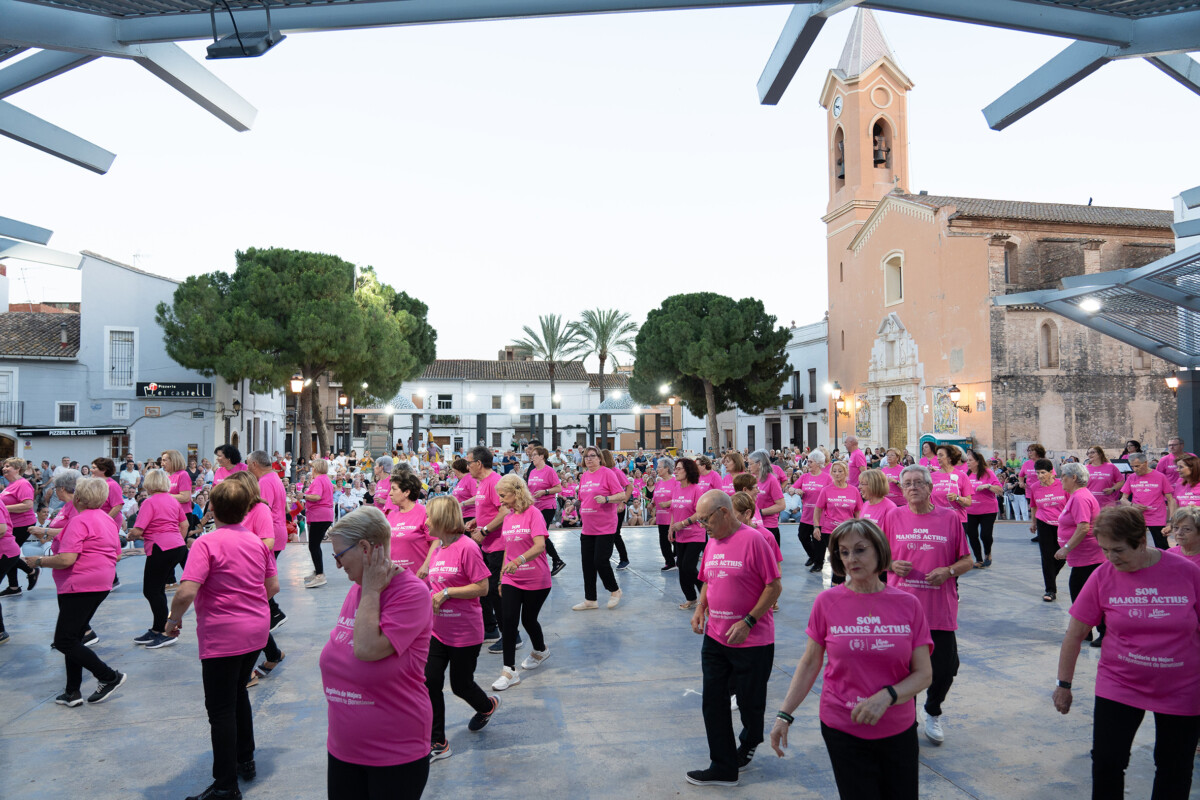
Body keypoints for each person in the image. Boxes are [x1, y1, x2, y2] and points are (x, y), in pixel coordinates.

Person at [769, 519, 932, 800]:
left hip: (897, 728)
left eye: (860, 550)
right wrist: (784, 715)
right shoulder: (826, 603)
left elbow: (924, 674)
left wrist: (888, 696)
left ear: (879, 551)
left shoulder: (908, 605)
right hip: (842, 727)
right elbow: (810, 663)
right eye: (843, 552)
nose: (851, 558)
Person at [1053, 506, 1200, 800]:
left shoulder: (1187, 572)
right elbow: (1075, 634)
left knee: (1175, 766)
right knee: (1107, 761)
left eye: (1118, 550)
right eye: (1105, 549)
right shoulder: (1102, 576)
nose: (1111, 557)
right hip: (1120, 682)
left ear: (1141, 541)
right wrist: (1063, 684)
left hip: (1182, 686)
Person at [164, 478, 279, 800]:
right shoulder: (256, 542)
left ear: (212, 508)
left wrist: (172, 621)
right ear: (246, 508)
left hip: (222, 635)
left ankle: (226, 785)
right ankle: (245, 758)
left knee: (221, 709)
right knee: (238, 692)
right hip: (255, 631)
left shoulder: (206, 543)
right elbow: (272, 586)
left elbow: (186, 591)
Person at [319, 506, 432, 799]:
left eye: (339, 555)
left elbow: (366, 649)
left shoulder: (411, 593)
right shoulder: (357, 589)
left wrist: (371, 591)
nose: (338, 565)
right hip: (344, 749)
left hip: (393, 753)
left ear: (366, 548)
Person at [686, 491, 781, 787]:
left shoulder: (755, 540)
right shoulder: (712, 541)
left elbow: (774, 586)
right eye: (700, 521)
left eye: (706, 519)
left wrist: (749, 621)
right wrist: (701, 607)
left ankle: (750, 740)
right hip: (716, 636)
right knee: (713, 701)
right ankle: (723, 766)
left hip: (752, 641)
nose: (703, 526)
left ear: (724, 513)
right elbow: (707, 580)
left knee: (750, 704)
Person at [883, 465, 973, 745]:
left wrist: (949, 571)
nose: (913, 488)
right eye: (907, 483)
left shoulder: (949, 518)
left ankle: (932, 711)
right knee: (901, 670)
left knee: (945, 669)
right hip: (901, 611)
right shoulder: (893, 516)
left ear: (930, 487)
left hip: (938, 610)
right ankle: (905, 720)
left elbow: (967, 560)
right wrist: (890, 564)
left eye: (919, 483)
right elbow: (874, 557)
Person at [25, 477, 125, 707]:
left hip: (78, 584)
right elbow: (117, 554)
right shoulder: (107, 519)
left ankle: (109, 676)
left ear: (78, 498)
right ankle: (72, 691)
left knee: (64, 640)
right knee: (74, 637)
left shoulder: (79, 521)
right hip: (100, 583)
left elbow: (66, 559)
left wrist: (39, 561)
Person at [424, 496, 498, 762]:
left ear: (442, 519)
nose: (426, 522)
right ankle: (438, 742)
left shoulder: (467, 547)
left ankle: (487, 706)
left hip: (464, 633)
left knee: (460, 685)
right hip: (437, 631)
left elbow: (483, 588)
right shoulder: (438, 548)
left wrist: (448, 592)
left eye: (430, 517)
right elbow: (434, 585)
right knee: (429, 681)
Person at [490, 474, 552, 691]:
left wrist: (519, 560)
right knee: (508, 621)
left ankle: (540, 650)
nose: (500, 500)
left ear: (517, 493)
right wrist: (501, 578)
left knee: (528, 620)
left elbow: (540, 546)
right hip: (511, 579)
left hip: (537, 578)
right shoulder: (508, 517)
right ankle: (509, 671)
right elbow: (507, 549)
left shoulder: (534, 514)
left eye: (503, 495)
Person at [127, 468, 187, 649]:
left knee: (152, 591)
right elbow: (184, 524)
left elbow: (138, 530)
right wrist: (176, 539)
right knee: (158, 589)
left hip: (160, 547)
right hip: (177, 546)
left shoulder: (149, 502)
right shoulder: (173, 500)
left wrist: (130, 535)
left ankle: (164, 631)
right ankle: (157, 628)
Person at [463, 447, 513, 646]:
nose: (467, 466)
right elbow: (490, 510)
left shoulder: (494, 482)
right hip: (486, 546)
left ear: (478, 463)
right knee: (483, 588)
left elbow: (505, 512)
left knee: (495, 591)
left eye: (469, 462)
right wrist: (476, 521)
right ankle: (490, 628)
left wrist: (484, 531)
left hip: (498, 545)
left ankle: (510, 636)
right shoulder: (482, 483)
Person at [1053, 461, 1106, 646]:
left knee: (1085, 596)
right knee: (1082, 595)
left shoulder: (1080, 497)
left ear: (1073, 478)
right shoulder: (1077, 496)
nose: (1060, 480)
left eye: (1063, 476)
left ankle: (1102, 632)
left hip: (1088, 557)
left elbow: (1083, 527)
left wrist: (1066, 548)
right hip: (1084, 557)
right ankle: (1086, 632)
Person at [246, 450, 289, 678]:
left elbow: (263, 508)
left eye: (248, 464)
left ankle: (273, 612)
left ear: (254, 464)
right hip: (273, 533)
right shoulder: (274, 478)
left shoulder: (264, 482)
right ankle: (272, 613)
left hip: (267, 536)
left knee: (256, 595)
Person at [571, 446, 625, 611]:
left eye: (592, 456)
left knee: (600, 561)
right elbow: (582, 498)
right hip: (588, 528)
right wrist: (573, 505)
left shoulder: (607, 473)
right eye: (586, 456)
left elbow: (621, 495)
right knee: (587, 564)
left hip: (605, 527)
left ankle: (615, 590)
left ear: (600, 458)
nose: (589, 459)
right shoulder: (585, 476)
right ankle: (590, 600)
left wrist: (607, 499)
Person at [1028, 457, 1068, 602]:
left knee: (1063, 556)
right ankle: (1050, 589)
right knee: (1046, 557)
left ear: (1051, 472)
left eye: (1043, 472)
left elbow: (1071, 504)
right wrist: (1033, 523)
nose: (1040, 476)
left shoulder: (1062, 485)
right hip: (1043, 523)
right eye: (1037, 473)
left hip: (1062, 524)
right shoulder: (1034, 487)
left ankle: (1051, 575)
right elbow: (1034, 506)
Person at [813, 461, 862, 579]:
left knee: (845, 559)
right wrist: (816, 527)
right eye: (834, 471)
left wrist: (860, 529)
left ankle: (840, 584)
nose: (837, 474)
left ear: (846, 473)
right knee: (838, 558)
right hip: (830, 531)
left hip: (848, 531)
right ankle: (837, 585)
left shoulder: (854, 490)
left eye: (840, 471)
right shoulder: (826, 490)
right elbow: (818, 509)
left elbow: (858, 511)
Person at [668, 458, 706, 610]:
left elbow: (700, 513)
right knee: (681, 568)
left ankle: (706, 595)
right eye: (675, 468)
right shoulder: (676, 488)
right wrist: (671, 528)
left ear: (688, 471)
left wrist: (683, 523)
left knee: (688, 567)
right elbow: (673, 510)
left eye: (679, 469)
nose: (675, 471)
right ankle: (691, 598)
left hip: (696, 535)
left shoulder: (696, 489)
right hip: (680, 536)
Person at [1120, 452, 1176, 549]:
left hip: (1157, 518)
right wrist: (1132, 505)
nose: (1135, 469)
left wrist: (1170, 521)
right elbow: (1123, 499)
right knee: (1135, 546)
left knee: (1162, 546)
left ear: (1145, 463)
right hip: (1138, 518)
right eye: (1132, 466)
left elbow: (1171, 499)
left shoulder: (1160, 476)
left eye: (1137, 466)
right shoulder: (1132, 477)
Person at [387, 472, 436, 580]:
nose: (390, 493)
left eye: (394, 489)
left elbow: (436, 541)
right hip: (396, 578)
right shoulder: (391, 515)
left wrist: (426, 566)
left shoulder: (424, 512)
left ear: (406, 492)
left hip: (418, 577)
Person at [525, 446, 566, 576]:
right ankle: (544, 562)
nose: (532, 457)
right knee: (535, 535)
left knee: (540, 535)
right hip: (534, 507)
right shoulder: (532, 471)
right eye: (531, 455)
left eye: (534, 455)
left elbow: (558, 488)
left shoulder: (549, 471)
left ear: (542, 456)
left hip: (547, 507)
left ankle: (556, 560)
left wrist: (545, 491)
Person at [1, 457, 39, 595]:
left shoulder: (23, 484)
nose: (4, 468)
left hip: (23, 524)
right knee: (8, 553)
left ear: (18, 469)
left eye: (8, 466)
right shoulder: (11, 484)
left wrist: (3, 508)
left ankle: (31, 571)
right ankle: (14, 587)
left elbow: (28, 505)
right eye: (4, 466)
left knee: (8, 554)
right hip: (12, 524)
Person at [963, 449, 1002, 569]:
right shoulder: (966, 474)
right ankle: (979, 559)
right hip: (970, 510)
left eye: (970, 460)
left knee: (985, 535)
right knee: (972, 535)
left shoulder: (988, 473)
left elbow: (1000, 490)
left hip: (988, 510)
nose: (968, 462)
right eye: (967, 460)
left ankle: (987, 554)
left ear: (978, 462)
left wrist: (988, 486)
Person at [301, 458, 335, 589]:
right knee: (315, 545)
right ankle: (318, 571)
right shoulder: (326, 479)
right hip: (325, 515)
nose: (311, 469)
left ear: (316, 468)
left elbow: (316, 496)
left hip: (319, 516)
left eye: (312, 467)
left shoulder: (319, 480)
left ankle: (320, 575)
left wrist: (303, 496)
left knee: (313, 546)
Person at [794, 450, 831, 569]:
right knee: (802, 536)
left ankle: (819, 563)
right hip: (807, 513)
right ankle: (813, 556)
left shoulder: (827, 478)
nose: (808, 464)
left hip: (820, 515)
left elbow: (831, 493)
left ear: (818, 463)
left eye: (810, 462)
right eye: (808, 461)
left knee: (818, 540)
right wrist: (795, 490)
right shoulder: (804, 476)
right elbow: (791, 488)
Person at [599, 450, 632, 571]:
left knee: (615, 534)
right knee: (606, 534)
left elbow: (629, 487)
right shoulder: (601, 472)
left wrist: (623, 502)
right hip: (606, 508)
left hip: (617, 508)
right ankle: (603, 558)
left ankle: (624, 559)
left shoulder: (616, 472)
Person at [653, 457, 677, 571]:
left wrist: (668, 503)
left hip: (673, 517)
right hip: (661, 517)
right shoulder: (659, 483)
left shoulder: (675, 482)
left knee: (675, 540)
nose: (657, 469)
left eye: (659, 467)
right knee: (663, 541)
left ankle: (678, 559)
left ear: (667, 468)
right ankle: (670, 562)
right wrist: (652, 504)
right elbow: (655, 497)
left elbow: (681, 498)